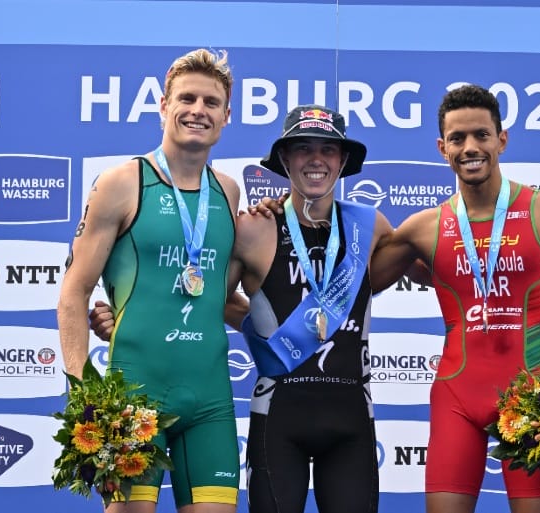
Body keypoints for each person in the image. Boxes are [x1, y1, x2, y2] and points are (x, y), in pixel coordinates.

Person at [91, 104, 394, 513]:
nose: (316, 159)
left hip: (352, 420)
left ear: (343, 161)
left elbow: (440, 272)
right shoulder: (252, 227)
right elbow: (202, 295)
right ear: (285, 159)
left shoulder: (369, 226)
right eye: (303, 148)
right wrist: (124, 316)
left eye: (328, 149)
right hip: (279, 416)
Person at [368, 84, 540, 513]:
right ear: (442, 148)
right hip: (456, 395)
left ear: (502, 139)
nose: (470, 147)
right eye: (457, 139)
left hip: (536, 396)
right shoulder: (424, 228)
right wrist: (288, 210)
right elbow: (360, 280)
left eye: (481, 134)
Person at [57, 48, 241, 513]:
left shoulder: (229, 191)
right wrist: (83, 391)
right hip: (133, 397)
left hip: (210, 403)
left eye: (211, 102)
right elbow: (75, 292)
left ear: (226, 116)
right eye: (187, 98)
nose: (198, 110)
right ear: (164, 106)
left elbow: (223, 291)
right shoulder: (122, 182)